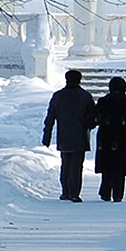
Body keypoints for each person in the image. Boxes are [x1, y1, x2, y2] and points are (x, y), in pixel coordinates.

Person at [42, 69, 96, 202]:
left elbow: (50, 117)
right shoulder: (86, 96)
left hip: (64, 135)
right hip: (80, 135)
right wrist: (89, 125)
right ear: (80, 80)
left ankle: (65, 191)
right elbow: (93, 118)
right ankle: (74, 193)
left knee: (65, 164)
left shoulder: (58, 96)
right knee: (77, 166)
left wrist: (47, 135)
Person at [93, 76, 126, 202]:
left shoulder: (103, 101)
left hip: (106, 137)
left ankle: (105, 192)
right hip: (123, 139)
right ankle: (118, 194)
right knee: (119, 168)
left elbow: (96, 119)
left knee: (107, 166)